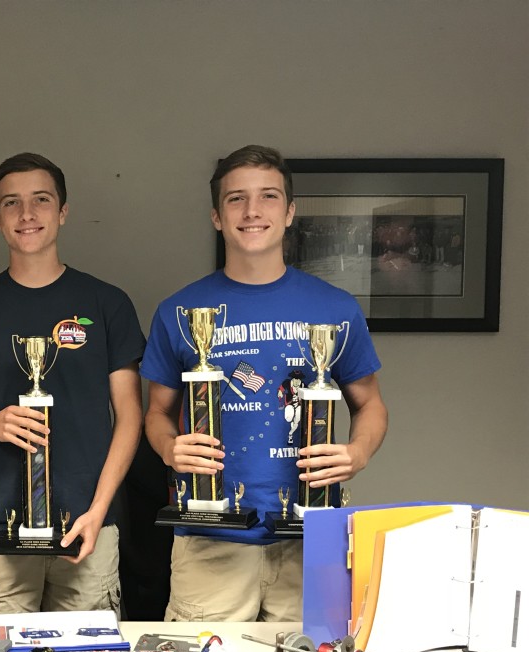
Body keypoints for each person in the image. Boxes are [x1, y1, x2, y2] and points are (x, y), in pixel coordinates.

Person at [141, 145, 387, 622]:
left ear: (290, 211)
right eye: (236, 199)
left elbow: (371, 404)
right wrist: (170, 449)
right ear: (216, 215)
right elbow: (155, 413)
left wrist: (357, 453)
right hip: (210, 542)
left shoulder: (335, 308)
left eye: (268, 196)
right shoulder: (181, 311)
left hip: (310, 539)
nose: (252, 211)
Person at [0, 152, 145, 620]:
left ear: (63, 211)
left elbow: (129, 415)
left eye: (41, 200)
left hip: (88, 522)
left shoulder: (107, 303)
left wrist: (100, 509)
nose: (26, 214)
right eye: (11, 203)